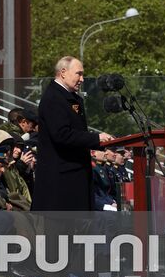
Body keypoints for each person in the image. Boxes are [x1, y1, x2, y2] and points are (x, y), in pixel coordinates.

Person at [31, 55, 113, 212]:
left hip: (73, 180)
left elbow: (75, 132)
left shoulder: (70, 98)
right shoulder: (53, 98)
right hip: (61, 185)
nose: (82, 79)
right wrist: (96, 138)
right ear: (63, 72)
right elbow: (62, 135)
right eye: (78, 74)